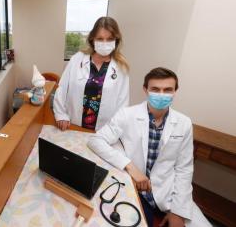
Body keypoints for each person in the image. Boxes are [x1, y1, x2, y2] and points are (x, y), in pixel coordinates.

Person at [87, 68, 211, 227]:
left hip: (168, 193)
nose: (161, 94)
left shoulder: (184, 123)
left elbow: (184, 169)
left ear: (175, 91)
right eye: (155, 89)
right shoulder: (127, 115)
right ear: (145, 89)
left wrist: (178, 211)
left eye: (167, 90)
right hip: (136, 189)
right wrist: (130, 167)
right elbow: (96, 141)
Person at [53, 17, 129, 131]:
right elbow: (62, 89)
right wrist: (61, 114)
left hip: (104, 130)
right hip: (73, 125)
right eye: (100, 38)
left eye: (109, 39)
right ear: (92, 39)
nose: (104, 43)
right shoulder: (77, 59)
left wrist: (114, 130)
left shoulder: (121, 67)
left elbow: (123, 103)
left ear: (116, 40)